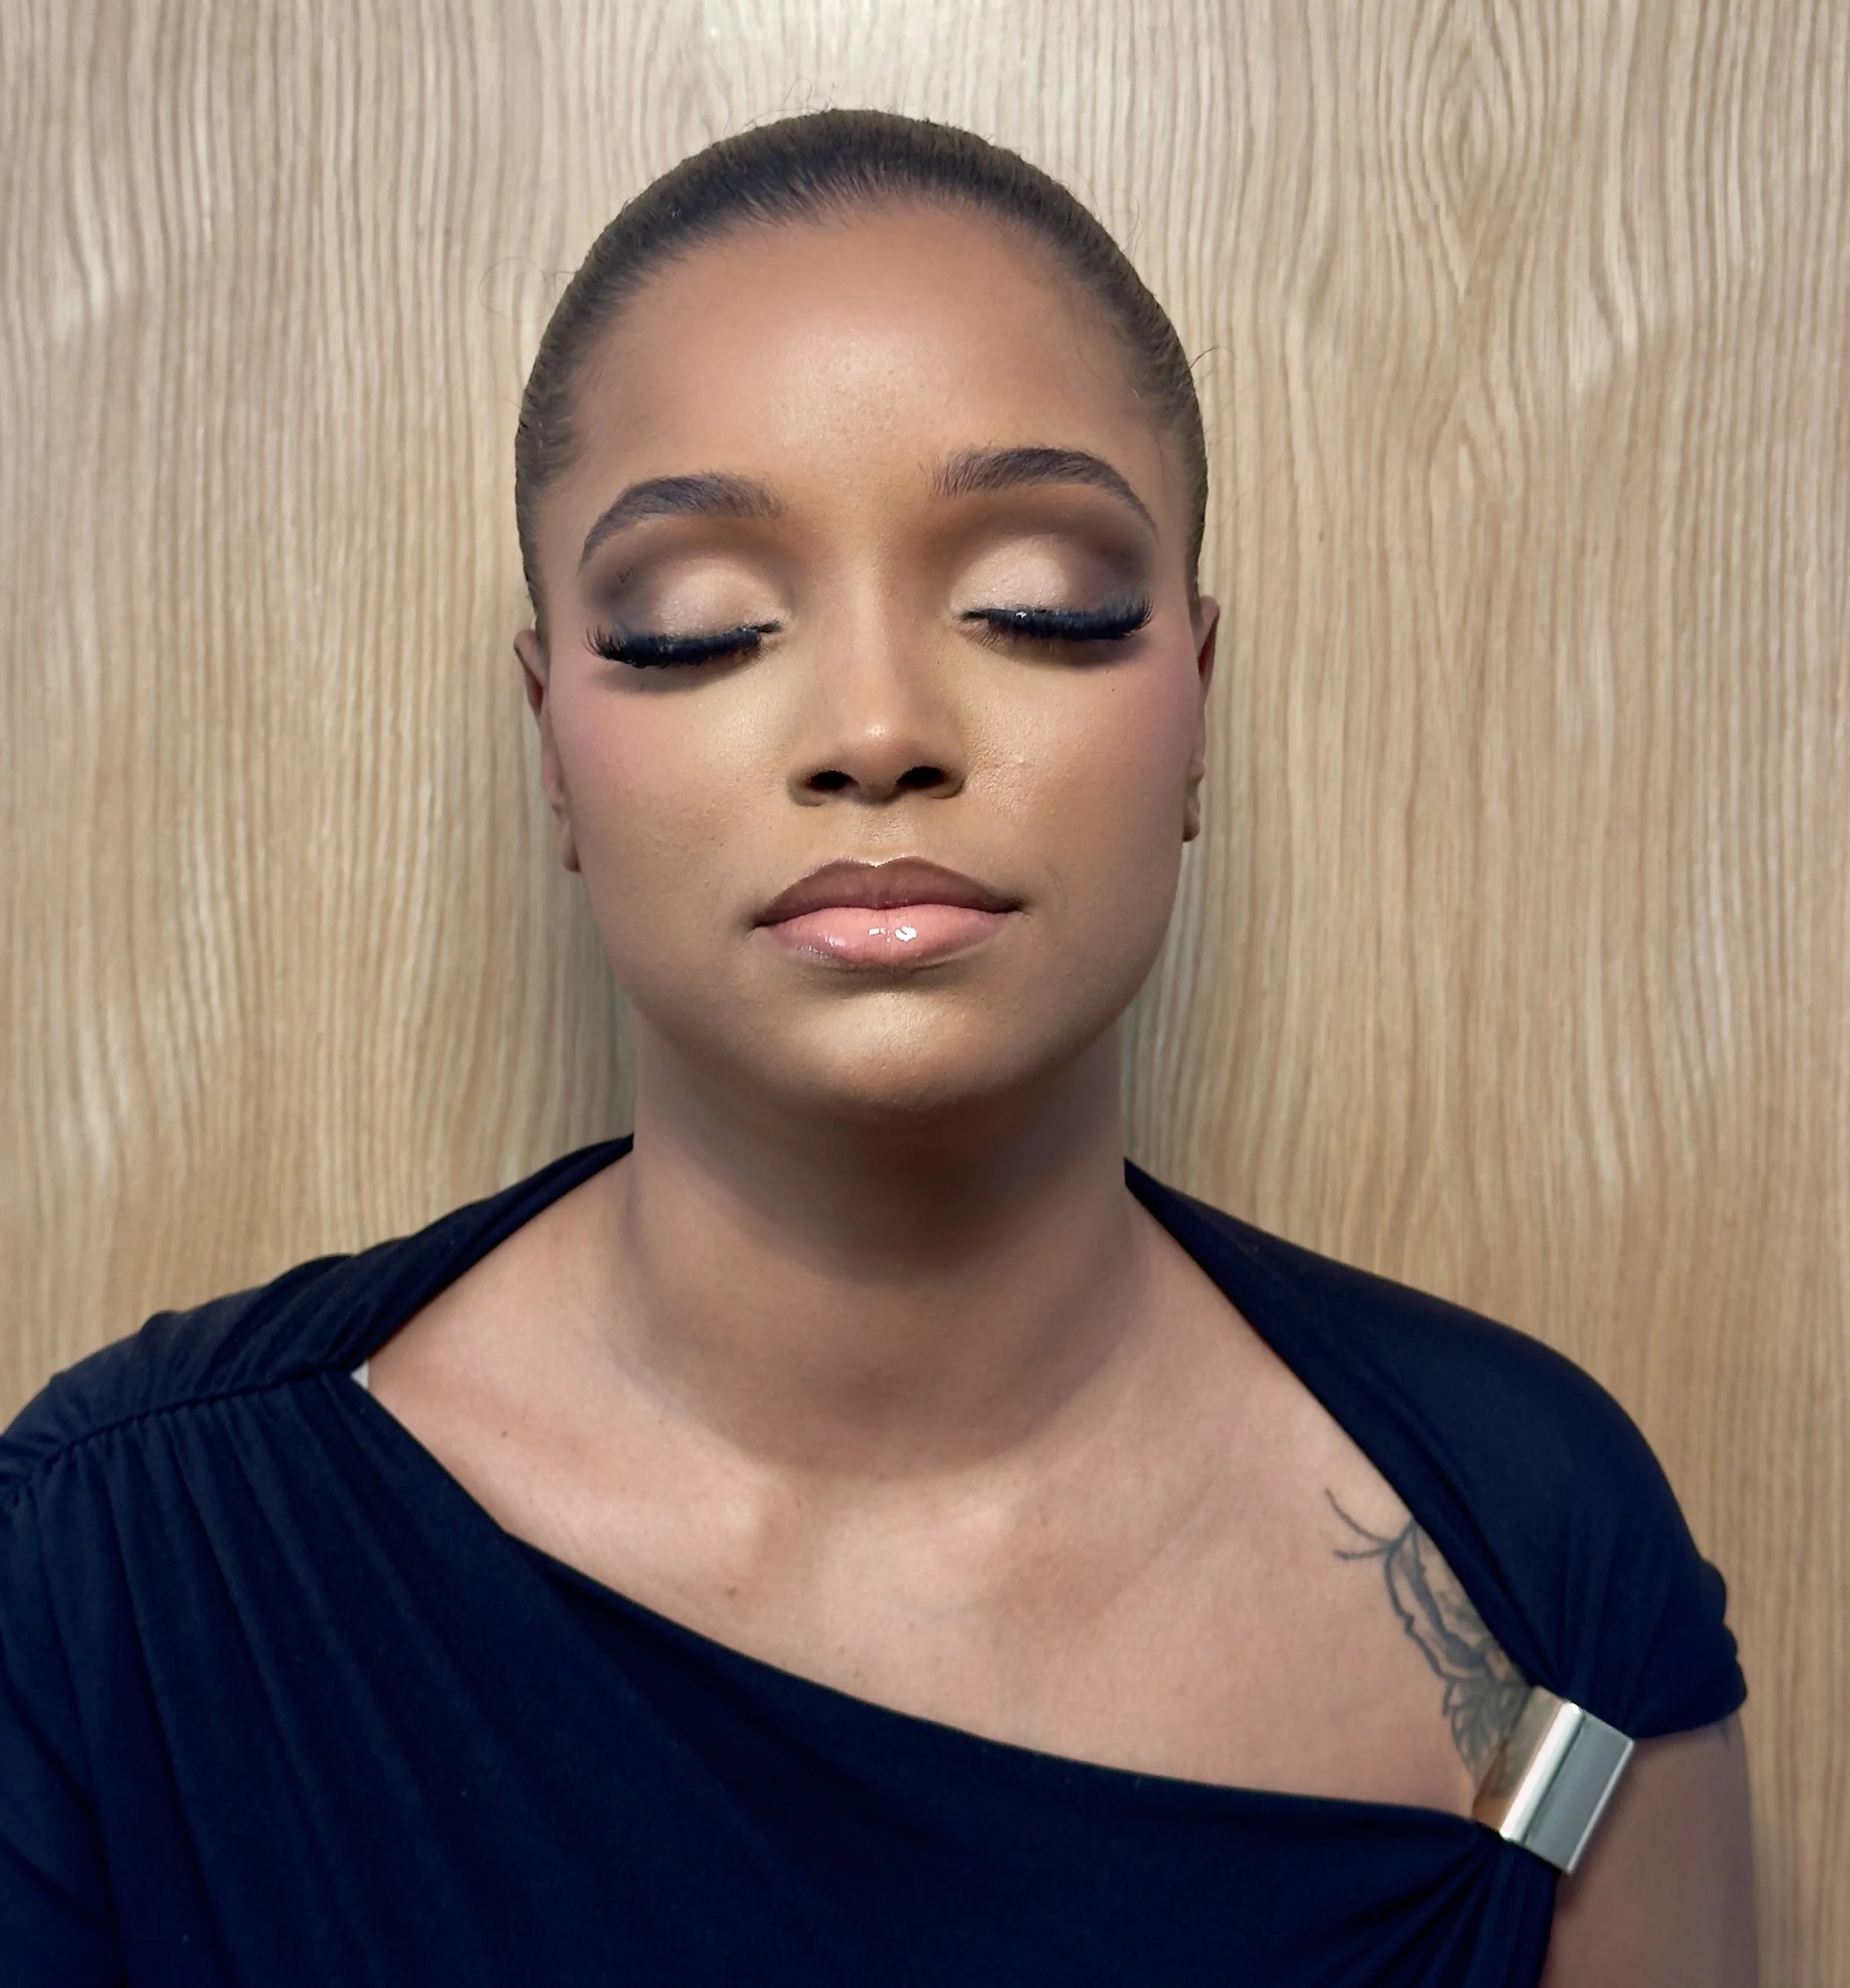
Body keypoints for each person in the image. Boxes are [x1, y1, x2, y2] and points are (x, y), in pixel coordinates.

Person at [1, 111, 1754, 1985]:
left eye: (1038, 603)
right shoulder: (121, 1560)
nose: (874, 728)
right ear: (552, 744)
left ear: (1194, 701)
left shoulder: (1529, 1551)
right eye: (697, 628)